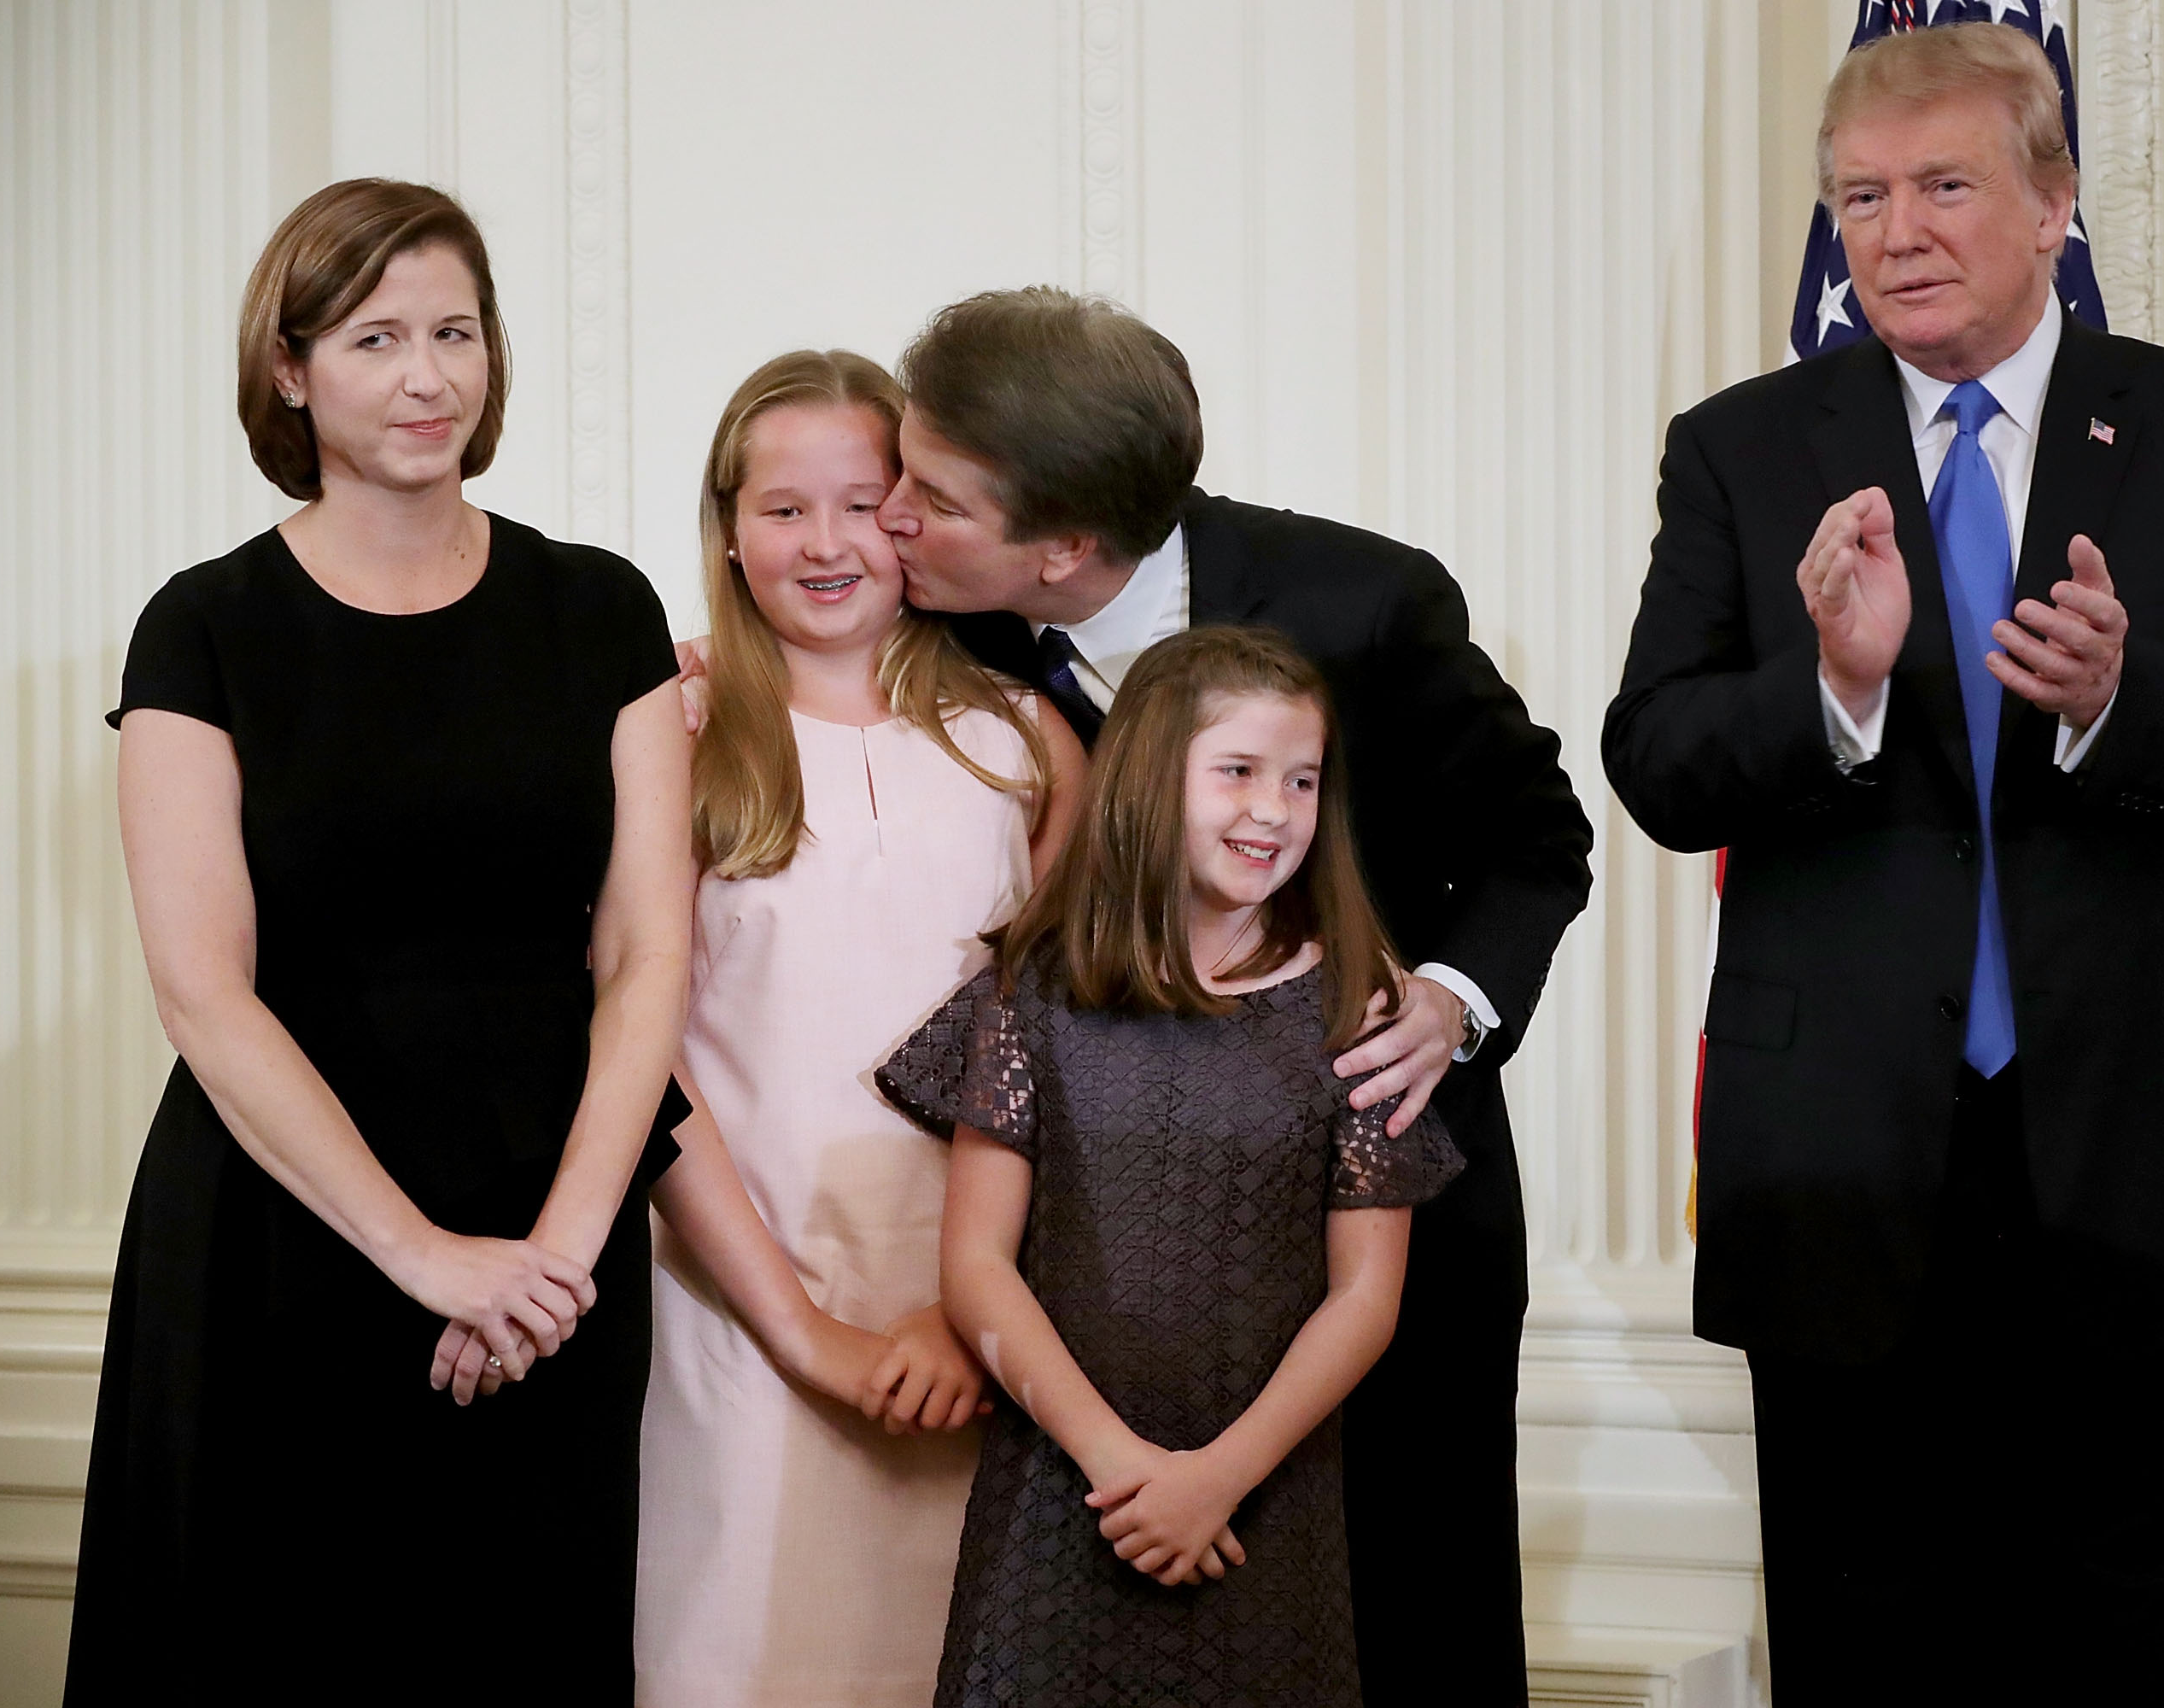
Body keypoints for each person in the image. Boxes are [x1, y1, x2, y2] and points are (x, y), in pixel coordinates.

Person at [1600, 24, 2164, 1707]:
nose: (1898, 233)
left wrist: (2127, 700)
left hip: (2137, 1164)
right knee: (1867, 1640)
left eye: (1946, 186)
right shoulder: (1745, 448)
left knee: (2135, 1645)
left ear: (2054, 203)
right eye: (1863, 196)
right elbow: (1657, 759)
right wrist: (1838, 686)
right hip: (1843, 1172)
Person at [870, 288, 1594, 1705]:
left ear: (1065, 550)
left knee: (1412, 1629)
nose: (890, 515)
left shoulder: (1369, 606)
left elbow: (1536, 840)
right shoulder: (954, 629)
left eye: (929, 496)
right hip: (1102, 1291)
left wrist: (1449, 999)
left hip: (1372, 1232)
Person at [69, 178, 693, 1699]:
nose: (428, 375)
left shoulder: (600, 608)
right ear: (289, 370)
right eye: (375, 337)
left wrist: (550, 1258)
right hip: (286, 1234)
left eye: (457, 332)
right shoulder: (202, 628)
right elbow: (203, 994)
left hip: (559, 1225)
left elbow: (648, 955)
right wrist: (426, 1261)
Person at [877, 625, 1468, 1707]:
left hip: (1264, 1498)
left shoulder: (1355, 1011)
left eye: (1301, 779)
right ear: (1151, 777)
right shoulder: (1032, 994)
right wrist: (1120, 1465)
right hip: (1060, 1490)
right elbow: (976, 1266)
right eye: (1237, 771)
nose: (1274, 809)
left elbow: (1367, 1297)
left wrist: (1215, 1478)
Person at [634, 349, 1085, 1706]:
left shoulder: (1025, 742)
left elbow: (1065, 1057)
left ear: (921, 521)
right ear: (727, 527)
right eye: (783, 508)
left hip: (980, 1325)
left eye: (865, 503)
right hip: (736, 1310)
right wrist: (804, 1334)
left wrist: (971, 1320)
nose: (826, 543)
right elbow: (638, 1058)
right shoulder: (675, 731)